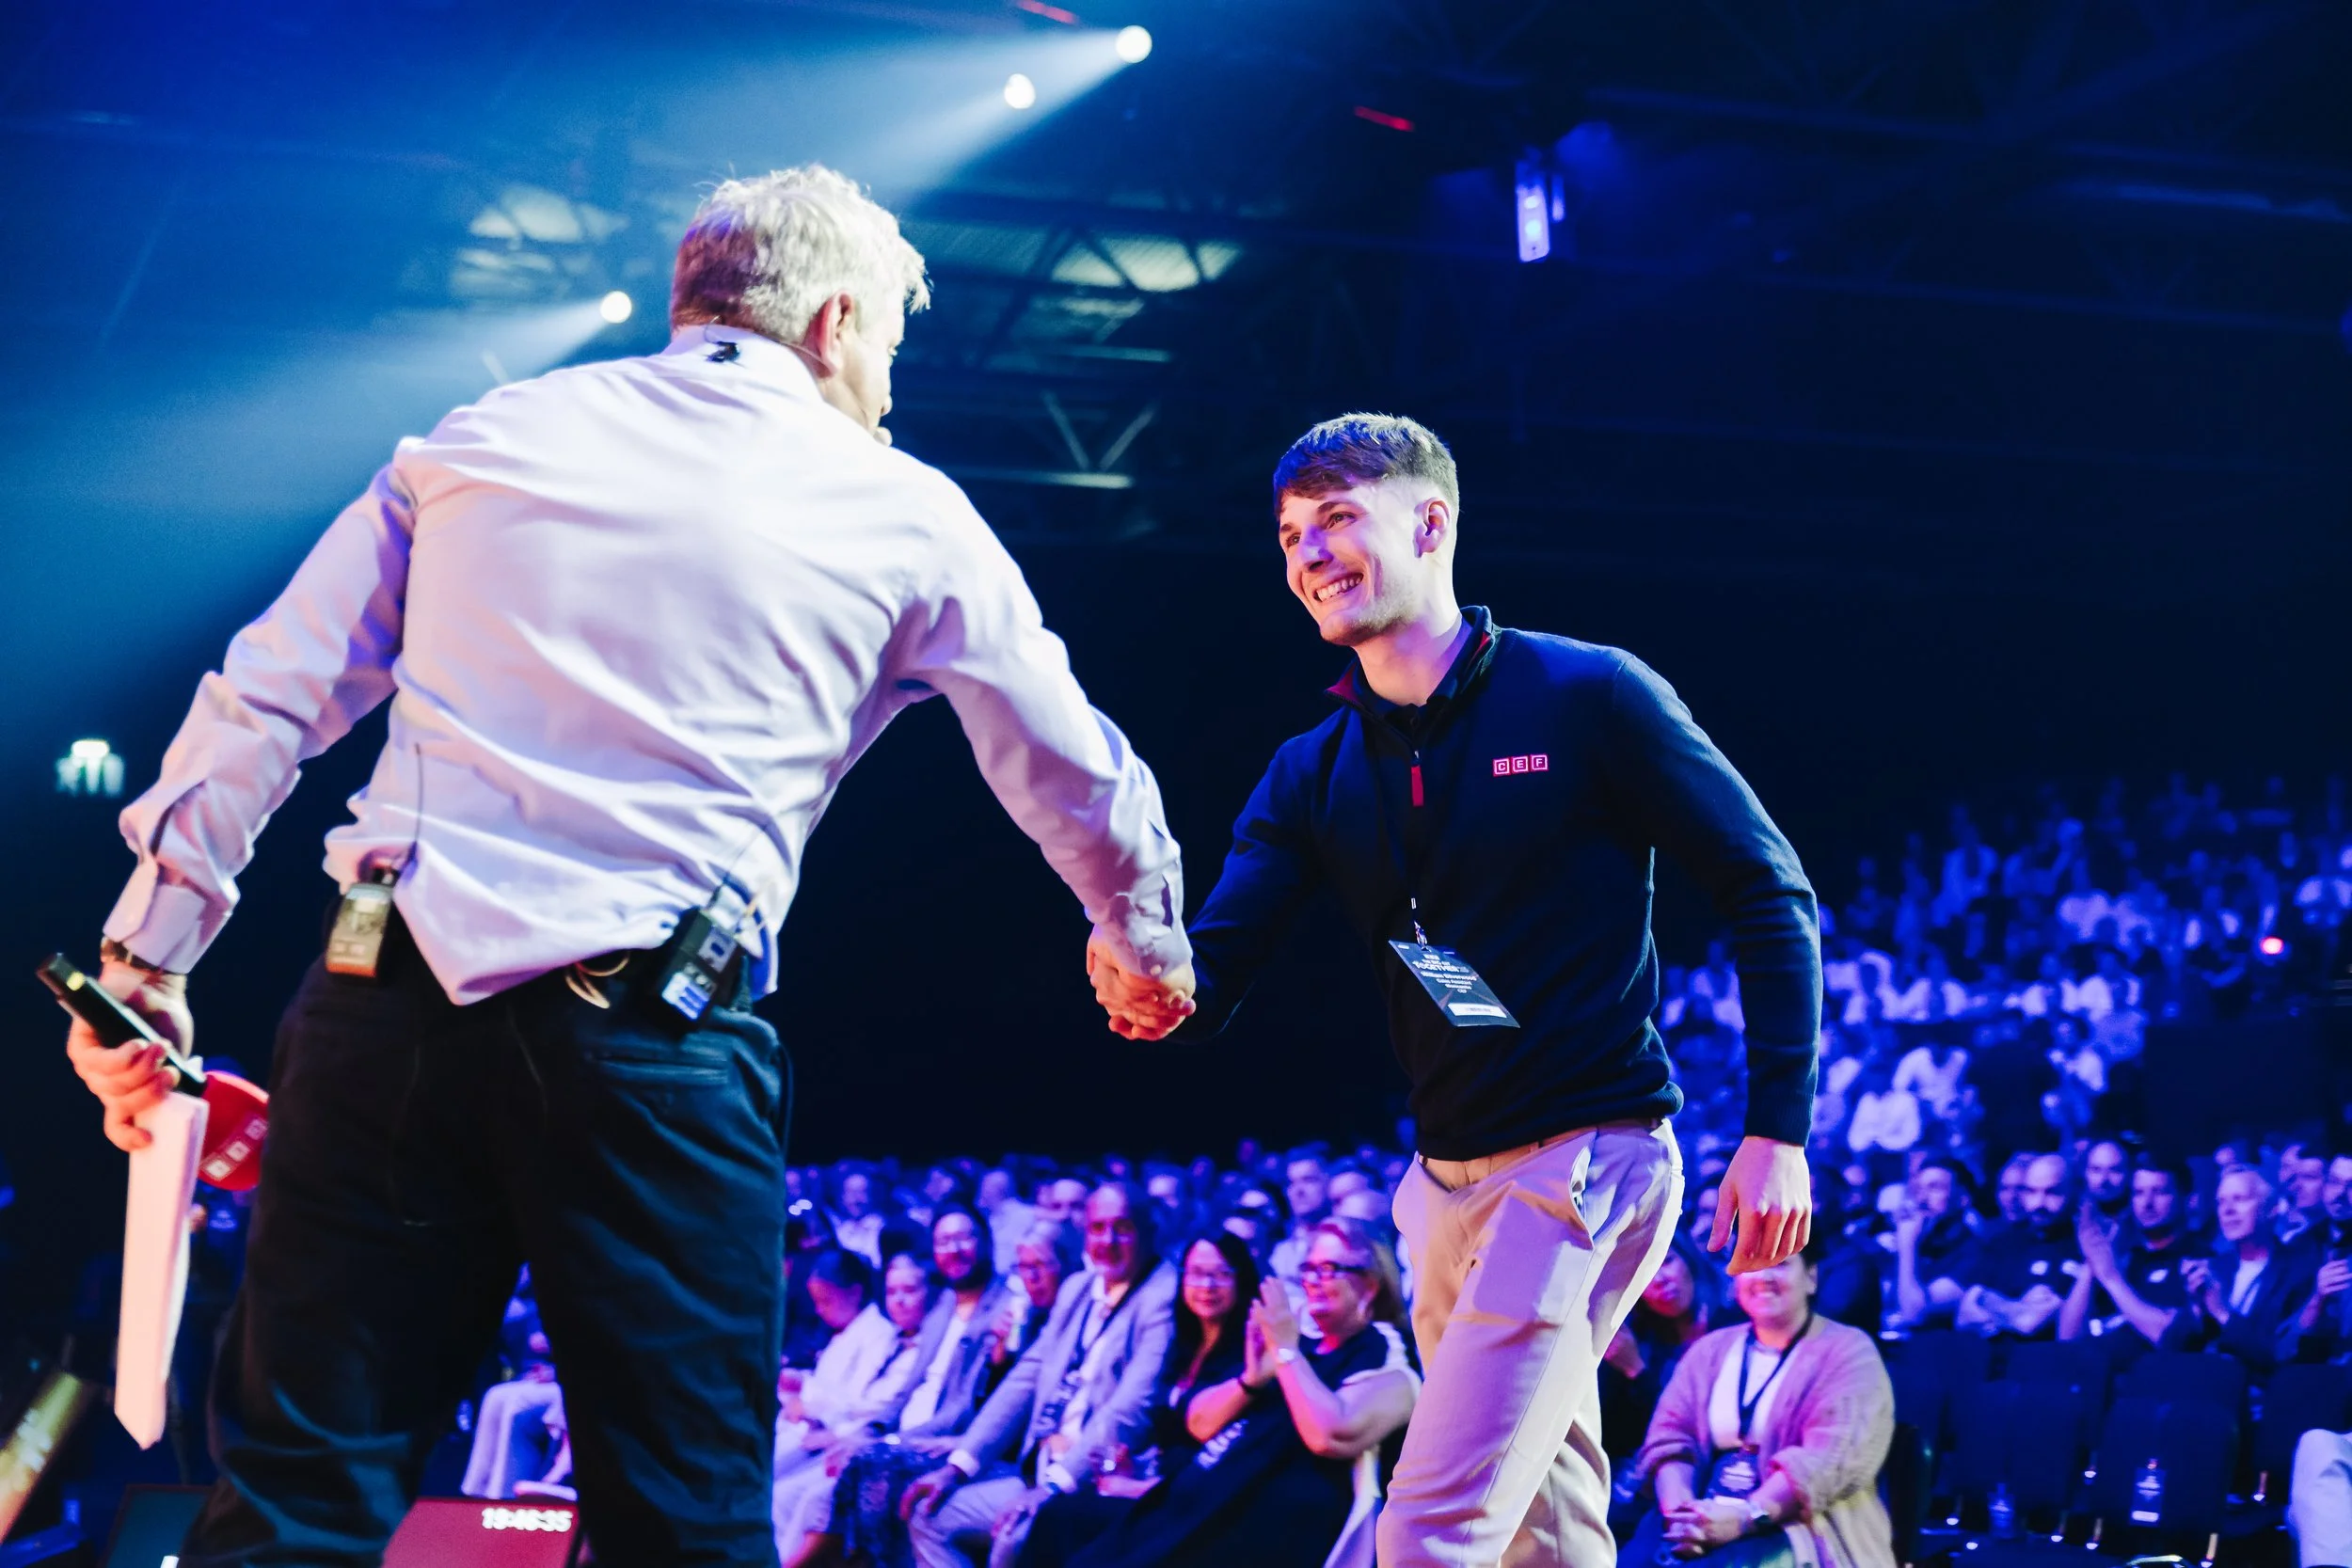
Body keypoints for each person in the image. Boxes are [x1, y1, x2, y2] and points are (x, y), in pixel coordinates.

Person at [63, 164, 1194, 1567]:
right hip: (649, 1052)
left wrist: (144, 959)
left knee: (289, 1506)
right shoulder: (903, 506)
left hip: (377, 1017)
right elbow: (1065, 756)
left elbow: (269, 695)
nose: (890, 388)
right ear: (837, 320)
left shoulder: (483, 434)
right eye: (890, 348)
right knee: (685, 1527)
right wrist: (1138, 928)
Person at [1090, 414, 1821, 1568]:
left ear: (1430, 522)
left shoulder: (1586, 694)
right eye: (1289, 534)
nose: (1308, 554)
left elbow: (1764, 882)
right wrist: (1147, 971)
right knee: (1547, 1517)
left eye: (1337, 518)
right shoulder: (1313, 767)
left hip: (1585, 1165)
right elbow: (1212, 973)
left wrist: (1777, 1127)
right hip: (1440, 1194)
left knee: (1428, 1529)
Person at [1041, 1218, 1421, 1568]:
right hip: (1204, 1502)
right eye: (1308, 1269)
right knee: (1059, 1521)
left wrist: (1286, 1353)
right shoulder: (1303, 1345)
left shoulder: (1387, 1354)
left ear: (1371, 1283)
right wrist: (1251, 1380)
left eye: (1329, 1269)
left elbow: (1332, 1434)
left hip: (1267, 1531)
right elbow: (1199, 1424)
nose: (1313, 1280)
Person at [903, 1182, 1178, 1568]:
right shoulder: (1079, 1288)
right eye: (1097, 1228)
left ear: (1148, 1232)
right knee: (929, 1517)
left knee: (1011, 1540)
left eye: (1123, 1228)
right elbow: (1025, 1377)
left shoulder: (1162, 1296)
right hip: (1038, 1470)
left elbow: (1130, 1407)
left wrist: (1053, 1487)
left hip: (1093, 1481)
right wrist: (959, 1465)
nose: (1108, 1240)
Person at [1623, 1236, 1896, 1568]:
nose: (1764, 1276)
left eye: (1781, 1264)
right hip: (1702, 1512)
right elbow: (1670, 1438)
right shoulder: (1710, 1350)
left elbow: (1826, 1461)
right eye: (1751, 1265)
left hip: (1800, 1524)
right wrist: (1681, 1516)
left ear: (1811, 1278)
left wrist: (1744, 1517)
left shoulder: (1849, 1351)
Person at [774, 1211, 1010, 1564]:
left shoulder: (1002, 1308)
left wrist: (888, 1442)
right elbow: (905, 1393)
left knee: (826, 1493)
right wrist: (869, 1433)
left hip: (941, 1441)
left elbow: (960, 1407)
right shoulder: (946, 1306)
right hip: (902, 1434)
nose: (954, 1249)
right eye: (944, 1241)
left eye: (965, 1238)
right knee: (797, 1488)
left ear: (987, 1242)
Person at [1017, 1229, 1262, 1567]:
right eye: (1196, 1274)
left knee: (1061, 1518)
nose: (1206, 1286)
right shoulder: (1181, 1346)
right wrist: (1132, 1465)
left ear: (1242, 1280)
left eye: (1220, 1274)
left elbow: (1221, 1468)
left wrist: (1140, 1487)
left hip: (1195, 1508)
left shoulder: (1249, 1359)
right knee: (1061, 1517)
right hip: (1156, 1488)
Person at [2176, 1166, 2318, 1383]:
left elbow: (2278, 1355)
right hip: (2204, 1389)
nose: (2228, 1210)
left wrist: (2222, 1313)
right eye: (2221, 1202)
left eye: (2239, 1199)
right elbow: (2172, 1349)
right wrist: (2196, 1310)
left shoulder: (2300, 1272)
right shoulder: (2214, 1267)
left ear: (2271, 1209)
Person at [1598, 1235, 1724, 1469]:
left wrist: (1637, 1371)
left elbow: (1698, 1428)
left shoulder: (1730, 1324)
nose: (1659, 1280)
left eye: (1667, 1262)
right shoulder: (1635, 1339)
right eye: (1643, 1276)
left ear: (1688, 1260)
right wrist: (1632, 1370)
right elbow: (1622, 1438)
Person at [2058, 1158, 2194, 1358]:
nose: (2147, 1203)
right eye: (2139, 1193)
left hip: (2149, 1382)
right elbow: (2066, 1340)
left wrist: (2110, 1277)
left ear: (2186, 1198)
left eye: (2159, 1192)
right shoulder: (2126, 1259)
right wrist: (2091, 1262)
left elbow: (2168, 1336)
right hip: (2093, 1378)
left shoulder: (2198, 1259)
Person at [1954, 1153, 2080, 1341]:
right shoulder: (2002, 1243)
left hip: (2042, 1362)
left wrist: (1989, 1301)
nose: (2039, 1203)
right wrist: (2018, 1307)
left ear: (2072, 1193)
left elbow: (2031, 1323)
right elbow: (1963, 1318)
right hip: (1991, 1362)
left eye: (2052, 1192)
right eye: (2031, 1191)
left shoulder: (2081, 1249)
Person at [1889, 1158, 1976, 1330]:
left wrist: (1907, 1245)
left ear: (1962, 1199)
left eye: (1935, 1188)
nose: (1921, 1199)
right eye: (1918, 1190)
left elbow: (1914, 1315)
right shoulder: (1921, 1244)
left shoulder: (1974, 1254)